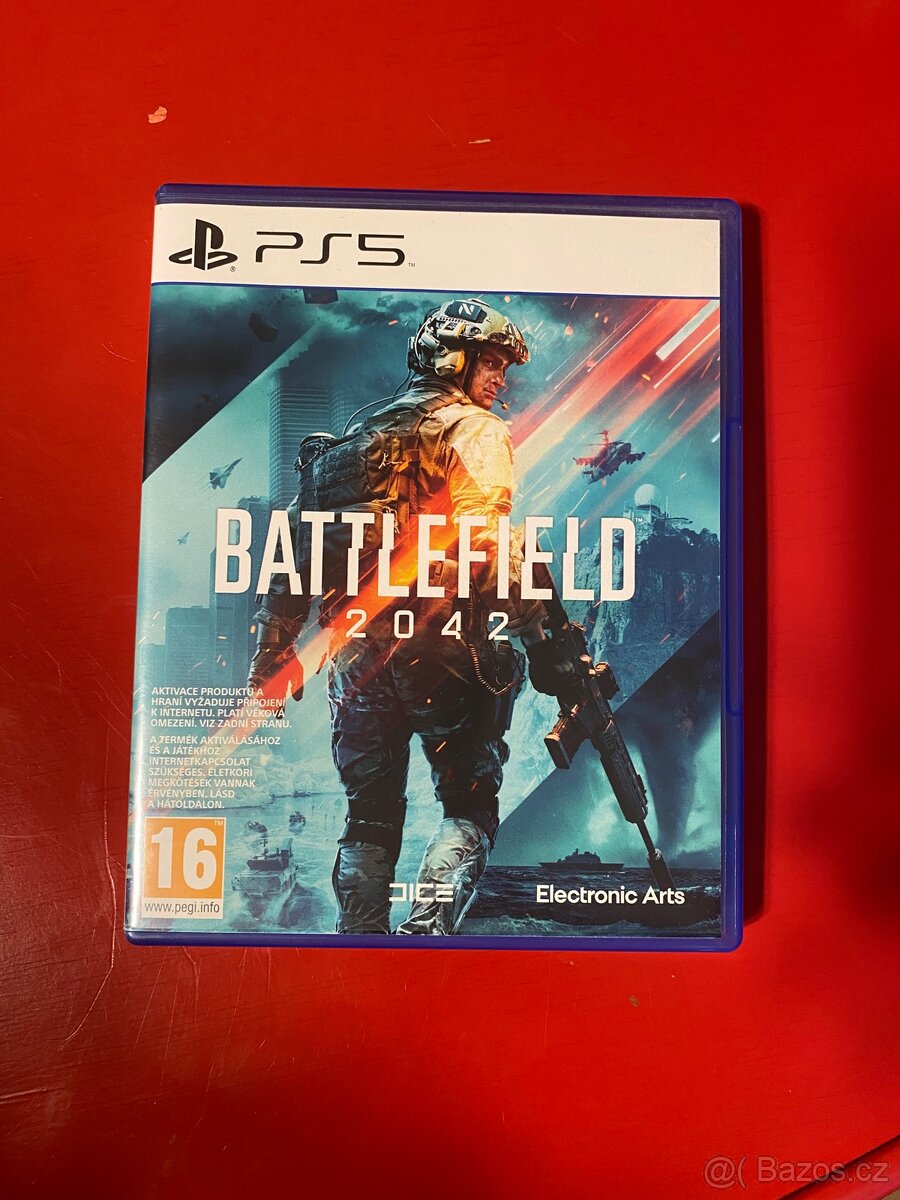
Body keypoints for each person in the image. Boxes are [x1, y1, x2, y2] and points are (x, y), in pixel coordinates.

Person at [249, 298, 568, 934]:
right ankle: (427, 933)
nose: (500, 379)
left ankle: (360, 937)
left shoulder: (341, 446)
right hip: (446, 643)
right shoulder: (474, 429)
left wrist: (272, 653)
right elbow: (490, 544)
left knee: (368, 813)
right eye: (491, 363)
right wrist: (545, 643)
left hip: (354, 658)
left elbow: (292, 553)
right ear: (453, 359)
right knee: (469, 805)